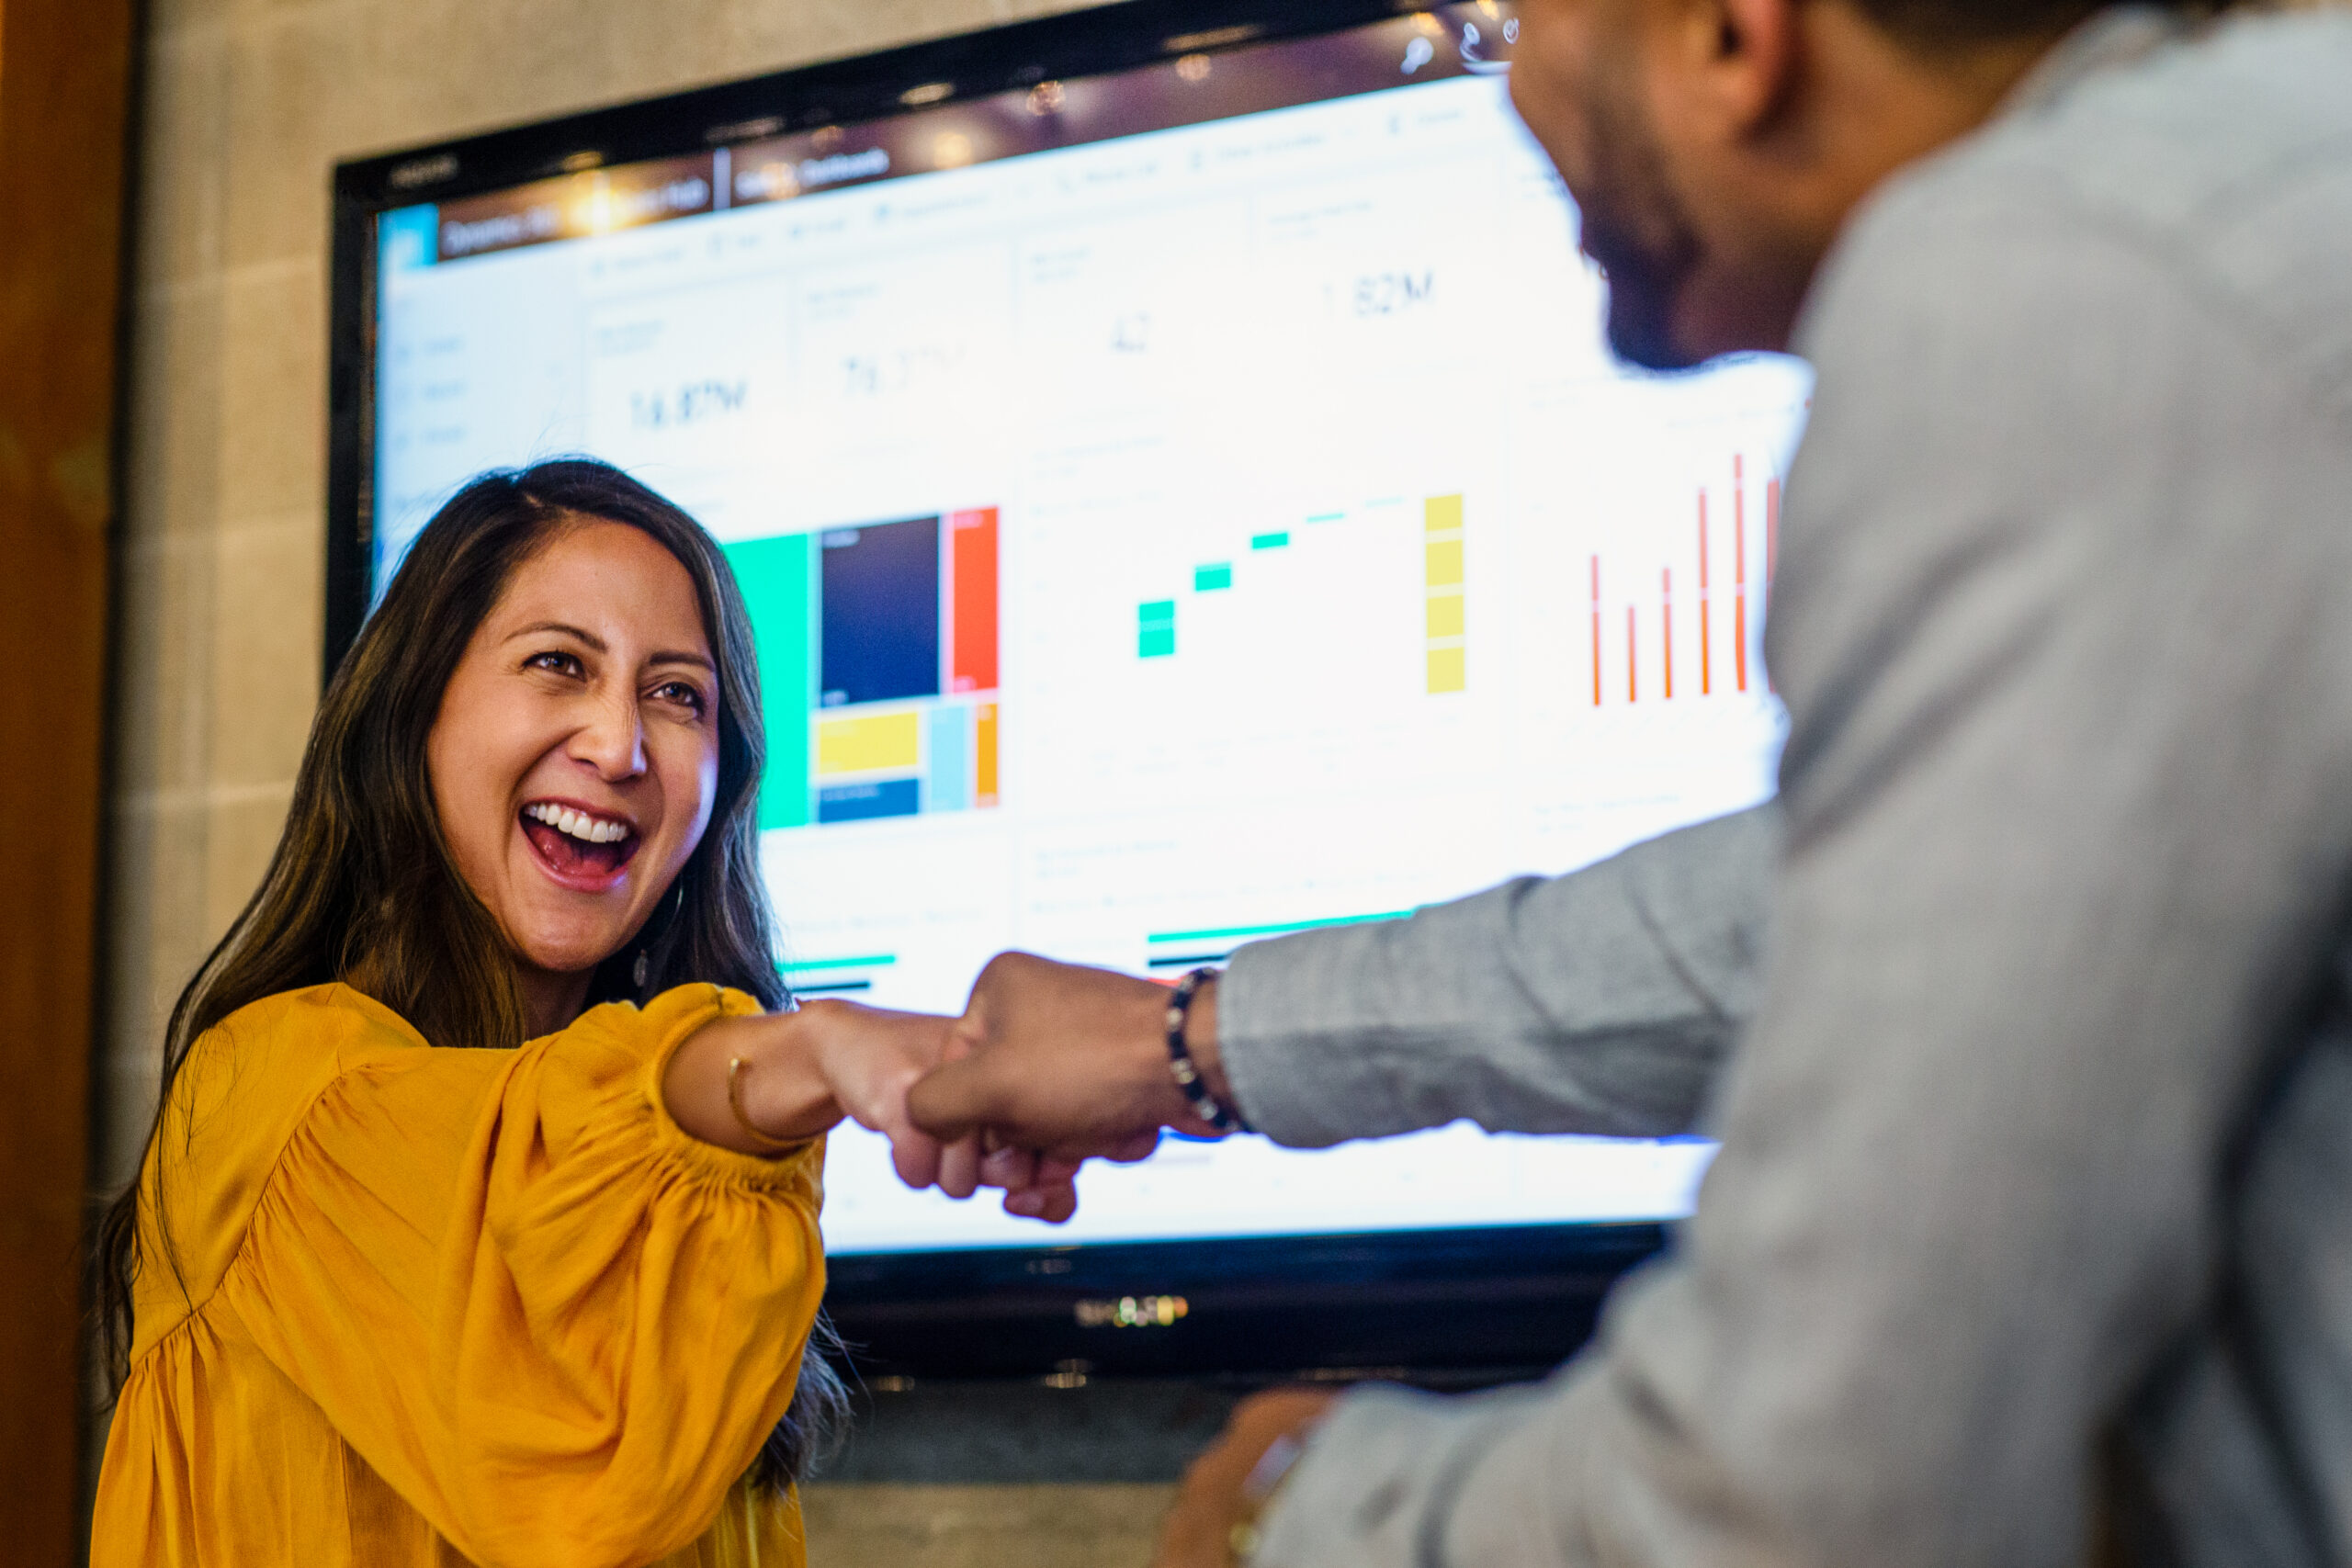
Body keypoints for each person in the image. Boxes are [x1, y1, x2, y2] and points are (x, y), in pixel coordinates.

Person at [906, 0, 2352, 1562]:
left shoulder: (2047, 288)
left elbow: (1810, 1488)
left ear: (1734, 35)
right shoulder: (2245, 192)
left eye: (1522, 15)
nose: (1499, 67)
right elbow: (1820, 912)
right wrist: (1194, 1042)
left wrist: (1300, 1510)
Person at [90, 461, 1071, 1567]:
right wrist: (817, 1047)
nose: (618, 747)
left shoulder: (695, 1220)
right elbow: (523, 1146)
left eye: (676, 695)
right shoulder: (272, 1088)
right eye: (558, 665)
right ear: (416, 712)